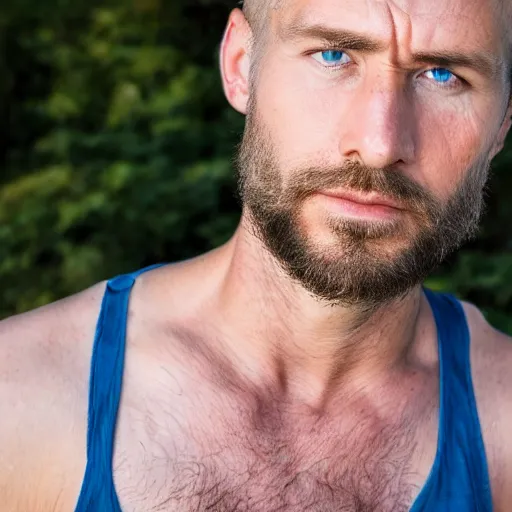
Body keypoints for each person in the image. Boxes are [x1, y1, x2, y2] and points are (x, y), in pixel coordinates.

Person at [1, 0, 512, 510]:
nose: (379, 144)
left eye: (444, 75)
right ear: (241, 63)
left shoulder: (503, 431)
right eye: (332, 55)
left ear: (504, 122)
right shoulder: (21, 400)